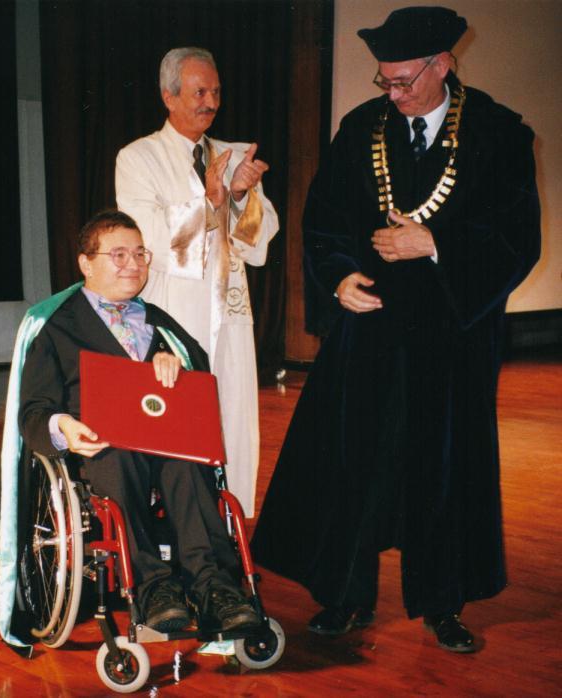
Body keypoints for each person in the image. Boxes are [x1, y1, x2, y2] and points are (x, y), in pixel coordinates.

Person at [251, 6, 540, 653]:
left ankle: (443, 604)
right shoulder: (362, 130)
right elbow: (324, 219)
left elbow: (520, 238)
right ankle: (345, 597)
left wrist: (432, 243)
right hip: (370, 327)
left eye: (406, 80)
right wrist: (338, 279)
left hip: (452, 335)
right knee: (357, 462)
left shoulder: (497, 133)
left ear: (443, 65)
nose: (394, 93)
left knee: (443, 469)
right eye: (385, 81)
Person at [18, 210, 260, 636]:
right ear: (86, 263)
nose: (133, 264)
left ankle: (213, 586)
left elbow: (196, 379)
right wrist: (66, 428)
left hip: (162, 441)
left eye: (140, 253)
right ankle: (152, 588)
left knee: (187, 461)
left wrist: (176, 365)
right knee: (118, 455)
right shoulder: (55, 327)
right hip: (101, 449)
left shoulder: (158, 322)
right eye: (118, 254)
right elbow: (34, 411)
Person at [115, 47, 279, 518]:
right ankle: (174, 524)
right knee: (173, 418)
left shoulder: (232, 156)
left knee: (231, 415)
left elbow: (256, 243)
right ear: (168, 97)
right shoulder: (139, 157)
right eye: (199, 92)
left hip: (227, 311)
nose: (210, 102)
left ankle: (227, 522)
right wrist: (208, 202)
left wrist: (242, 195)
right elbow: (146, 239)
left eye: (216, 92)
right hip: (173, 307)